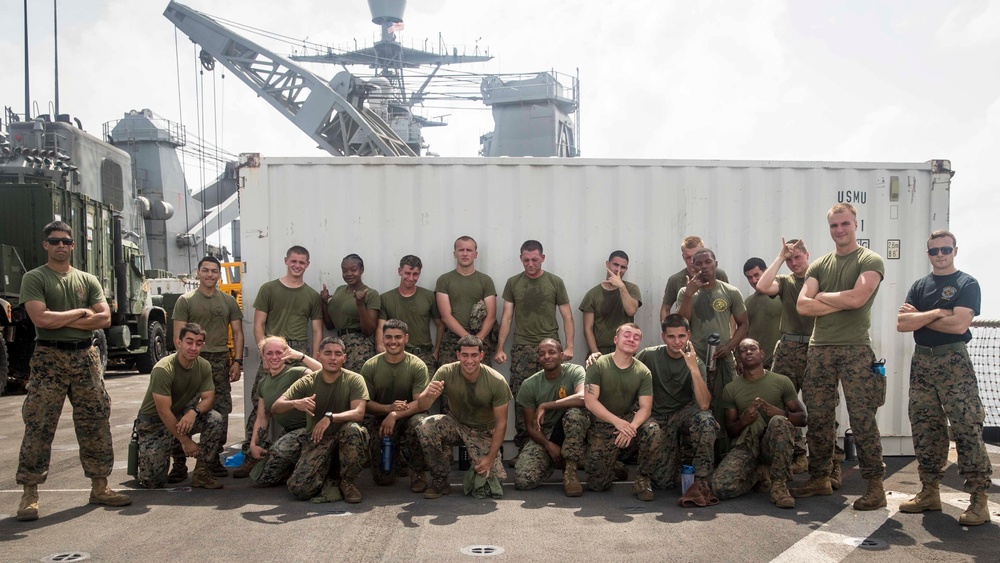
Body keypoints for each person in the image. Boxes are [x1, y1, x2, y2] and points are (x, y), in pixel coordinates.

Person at [14, 221, 130, 521]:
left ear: (73, 245)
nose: (60, 246)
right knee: (39, 425)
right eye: (54, 241)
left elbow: (104, 320)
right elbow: (41, 320)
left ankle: (100, 486)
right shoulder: (35, 278)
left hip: (85, 357)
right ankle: (29, 494)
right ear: (46, 245)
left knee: (95, 422)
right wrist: (81, 312)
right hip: (49, 357)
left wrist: (61, 318)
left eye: (65, 241)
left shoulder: (87, 279)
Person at [792, 203, 887, 511]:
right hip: (819, 348)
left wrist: (822, 297)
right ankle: (819, 477)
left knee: (862, 418)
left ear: (856, 225)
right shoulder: (819, 265)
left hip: (855, 348)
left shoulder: (869, 260)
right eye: (834, 226)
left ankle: (875, 486)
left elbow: (859, 298)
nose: (840, 230)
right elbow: (802, 306)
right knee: (819, 417)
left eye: (845, 224)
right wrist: (840, 301)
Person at [897, 230, 991, 526]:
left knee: (966, 427)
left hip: (953, 361)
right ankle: (929, 492)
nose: (940, 255)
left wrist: (922, 316)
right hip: (922, 360)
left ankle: (979, 500)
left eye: (945, 249)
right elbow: (902, 323)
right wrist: (938, 311)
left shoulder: (966, 283)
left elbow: (960, 323)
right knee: (925, 426)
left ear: (955, 250)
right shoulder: (920, 286)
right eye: (934, 251)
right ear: (928, 254)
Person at [239, 245, 323, 478]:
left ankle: (302, 454)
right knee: (260, 405)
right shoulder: (269, 289)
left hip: (299, 351)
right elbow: (258, 325)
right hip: (273, 351)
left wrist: (312, 359)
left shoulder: (312, 295)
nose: (297, 266)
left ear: (307, 264)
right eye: (293, 261)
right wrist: (265, 353)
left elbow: (317, 330)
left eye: (302, 262)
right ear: (286, 260)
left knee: (304, 402)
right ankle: (251, 453)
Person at [495, 240, 575, 456]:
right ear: (521, 258)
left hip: (550, 347)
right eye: (526, 260)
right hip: (522, 349)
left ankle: (560, 444)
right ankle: (523, 448)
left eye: (535, 259)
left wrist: (569, 345)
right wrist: (500, 348)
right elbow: (507, 316)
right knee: (522, 397)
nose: (530, 264)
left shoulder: (555, 282)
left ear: (543, 258)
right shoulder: (513, 283)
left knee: (557, 394)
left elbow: (567, 315)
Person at [169, 255, 244, 480]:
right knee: (183, 408)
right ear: (198, 273)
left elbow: (238, 333)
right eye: (205, 270)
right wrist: (187, 359)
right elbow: (177, 336)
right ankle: (179, 463)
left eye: (214, 271)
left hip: (220, 360)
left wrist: (237, 361)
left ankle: (211, 460)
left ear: (219, 275)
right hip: (192, 360)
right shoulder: (186, 300)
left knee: (220, 409)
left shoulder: (228, 301)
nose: (210, 274)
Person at [711, 338, 807, 508]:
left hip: (773, 446)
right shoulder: (731, 389)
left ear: (762, 354)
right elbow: (731, 429)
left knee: (779, 421)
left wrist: (782, 413)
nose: (748, 352)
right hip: (747, 445)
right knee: (720, 488)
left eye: (753, 348)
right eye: (743, 350)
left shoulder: (781, 381)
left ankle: (779, 486)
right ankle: (758, 473)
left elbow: (802, 418)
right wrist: (744, 421)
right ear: (738, 357)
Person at [272, 337, 370, 503]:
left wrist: (330, 418)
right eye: (328, 353)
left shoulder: (354, 379)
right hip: (317, 440)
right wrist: (296, 403)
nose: (333, 358)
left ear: (344, 358)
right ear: (319, 356)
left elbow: (359, 413)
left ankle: (348, 482)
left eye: (338, 354)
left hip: (343, 438)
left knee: (353, 429)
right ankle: (328, 474)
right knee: (300, 490)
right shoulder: (308, 381)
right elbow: (276, 407)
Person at [415, 335, 513, 499]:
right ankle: (440, 479)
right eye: (465, 355)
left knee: (490, 486)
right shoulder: (446, 371)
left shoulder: (496, 381)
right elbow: (423, 406)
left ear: (481, 356)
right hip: (456, 423)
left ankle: (481, 465)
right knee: (426, 426)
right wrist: (427, 395)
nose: (469, 360)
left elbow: (501, 423)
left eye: (474, 355)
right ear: (458, 355)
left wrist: (489, 458)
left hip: (482, 431)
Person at [677, 248, 748, 459]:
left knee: (727, 405)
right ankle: (695, 455)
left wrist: (730, 346)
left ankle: (725, 454)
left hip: (723, 358)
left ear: (715, 264)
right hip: (696, 359)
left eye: (707, 262)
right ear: (693, 266)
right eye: (698, 263)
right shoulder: (685, 292)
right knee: (698, 405)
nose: (703, 267)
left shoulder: (730, 292)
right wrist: (689, 293)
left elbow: (744, 324)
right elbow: (681, 325)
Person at [135, 323, 225, 490]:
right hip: (154, 423)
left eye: (198, 343)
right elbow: (163, 411)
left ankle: (201, 473)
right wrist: (186, 441)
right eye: (189, 342)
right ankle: (153, 457)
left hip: (180, 416)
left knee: (214, 419)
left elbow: (208, 398)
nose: (193, 347)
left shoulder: (203, 366)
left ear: (203, 345)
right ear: (179, 342)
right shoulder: (163, 368)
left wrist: (193, 412)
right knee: (152, 482)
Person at [635, 314, 718, 496]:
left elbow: (704, 404)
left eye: (681, 336)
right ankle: (643, 478)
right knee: (663, 483)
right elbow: (627, 371)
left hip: (680, 416)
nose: (677, 341)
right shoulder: (649, 355)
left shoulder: (696, 362)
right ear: (663, 337)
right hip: (655, 416)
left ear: (688, 335)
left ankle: (702, 480)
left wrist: (693, 369)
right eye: (671, 336)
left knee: (706, 420)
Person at [754, 238, 815, 475]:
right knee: (782, 402)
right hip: (789, 346)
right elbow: (762, 286)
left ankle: (824, 461)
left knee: (819, 404)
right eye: (789, 260)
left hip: (815, 346)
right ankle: (797, 454)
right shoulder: (785, 281)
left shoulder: (819, 277)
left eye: (797, 257)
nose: (793, 263)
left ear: (807, 254)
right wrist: (780, 257)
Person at [583, 323, 660, 501]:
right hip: (604, 423)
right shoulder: (597, 364)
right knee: (597, 485)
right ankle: (615, 466)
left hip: (629, 421)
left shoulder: (643, 372)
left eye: (636, 337)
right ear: (616, 339)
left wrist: (631, 426)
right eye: (627, 335)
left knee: (653, 430)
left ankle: (642, 479)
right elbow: (590, 401)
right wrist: (616, 422)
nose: (631, 339)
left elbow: (645, 408)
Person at [361, 319, 431, 493]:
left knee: (420, 423)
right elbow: (365, 404)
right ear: (382, 338)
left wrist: (396, 415)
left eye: (398, 337)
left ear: (406, 338)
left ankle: (418, 473)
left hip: (408, 417)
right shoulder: (370, 366)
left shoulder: (417, 366)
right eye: (388, 337)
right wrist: (388, 409)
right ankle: (396, 461)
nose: (393, 341)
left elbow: (420, 403)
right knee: (383, 479)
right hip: (381, 419)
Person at [514, 339, 587, 496]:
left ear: (561, 355)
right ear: (538, 359)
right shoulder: (529, 384)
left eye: (551, 352)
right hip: (546, 433)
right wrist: (548, 446)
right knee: (523, 480)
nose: (547, 356)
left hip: (574, 432)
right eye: (542, 354)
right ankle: (568, 460)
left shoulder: (575, 371)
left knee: (574, 414)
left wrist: (546, 405)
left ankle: (571, 471)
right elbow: (531, 426)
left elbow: (583, 398)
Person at [248, 336, 321, 487]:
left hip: (308, 429)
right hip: (288, 431)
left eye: (279, 352)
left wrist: (300, 356)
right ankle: (297, 465)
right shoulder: (263, 384)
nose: (274, 357)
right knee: (263, 478)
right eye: (269, 353)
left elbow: (325, 371)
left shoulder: (297, 373)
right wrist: (253, 444)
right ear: (263, 355)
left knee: (279, 449)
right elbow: (262, 417)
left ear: (286, 354)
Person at [435, 236, 498, 364]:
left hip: (479, 339)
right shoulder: (444, 280)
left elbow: (491, 316)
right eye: (461, 250)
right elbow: (446, 316)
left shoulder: (485, 281)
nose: (465, 253)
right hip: (452, 340)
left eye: (469, 250)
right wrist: (467, 338)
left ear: (475, 254)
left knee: (481, 382)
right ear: (454, 254)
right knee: (448, 381)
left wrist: (478, 339)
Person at [377, 255, 443, 370]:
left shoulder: (429, 296)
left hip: (424, 356)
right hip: (395, 355)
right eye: (407, 273)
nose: (411, 278)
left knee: (427, 388)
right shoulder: (385, 298)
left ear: (419, 274)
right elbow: (380, 327)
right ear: (399, 271)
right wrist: (380, 347)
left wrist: (436, 351)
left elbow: (441, 324)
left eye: (415, 274)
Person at [321, 254, 381, 373]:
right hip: (338, 346)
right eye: (344, 270)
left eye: (353, 270)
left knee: (356, 385)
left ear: (361, 270)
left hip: (359, 347)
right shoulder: (339, 290)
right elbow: (330, 325)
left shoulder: (371, 294)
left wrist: (360, 305)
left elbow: (368, 330)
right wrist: (323, 303)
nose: (348, 274)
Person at [580, 250, 642, 357]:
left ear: (626, 269)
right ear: (607, 264)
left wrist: (621, 286)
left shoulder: (632, 289)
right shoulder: (592, 294)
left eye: (623, 267)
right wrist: (595, 352)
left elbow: (631, 311)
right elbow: (588, 329)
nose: (618, 270)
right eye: (615, 265)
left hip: (625, 350)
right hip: (601, 351)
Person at [659, 235, 730, 322]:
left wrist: (732, 332)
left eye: (695, 256)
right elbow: (665, 308)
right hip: (689, 332)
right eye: (688, 257)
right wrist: (667, 330)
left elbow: (730, 305)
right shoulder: (675, 280)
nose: (692, 261)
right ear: (683, 257)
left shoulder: (718, 274)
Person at [742, 257, 781, 369]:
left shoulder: (782, 296)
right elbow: (744, 332)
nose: (754, 281)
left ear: (767, 271)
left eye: (756, 275)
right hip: (755, 365)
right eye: (749, 277)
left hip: (780, 362)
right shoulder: (747, 302)